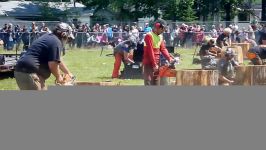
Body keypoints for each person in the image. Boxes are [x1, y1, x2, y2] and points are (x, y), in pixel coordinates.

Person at [14, 22, 75, 90]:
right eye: (68, 38)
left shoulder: (50, 37)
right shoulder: (56, 42)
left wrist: (68, 73)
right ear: (64, 34)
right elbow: (53, 65)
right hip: (28, 72)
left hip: (26, 71)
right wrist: (59, 77)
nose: (67, 40)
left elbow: (58, 60)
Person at [142, 19, 174, 86]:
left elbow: (163, 49)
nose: (163, 31)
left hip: (157, 61)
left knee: (156, 80)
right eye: (162, 29)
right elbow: (150, 51)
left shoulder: (160, 36)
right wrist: (154, 64)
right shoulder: (149, 36)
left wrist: (169, 58)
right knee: (148, 80)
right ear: (157, 27)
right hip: (148, 62)